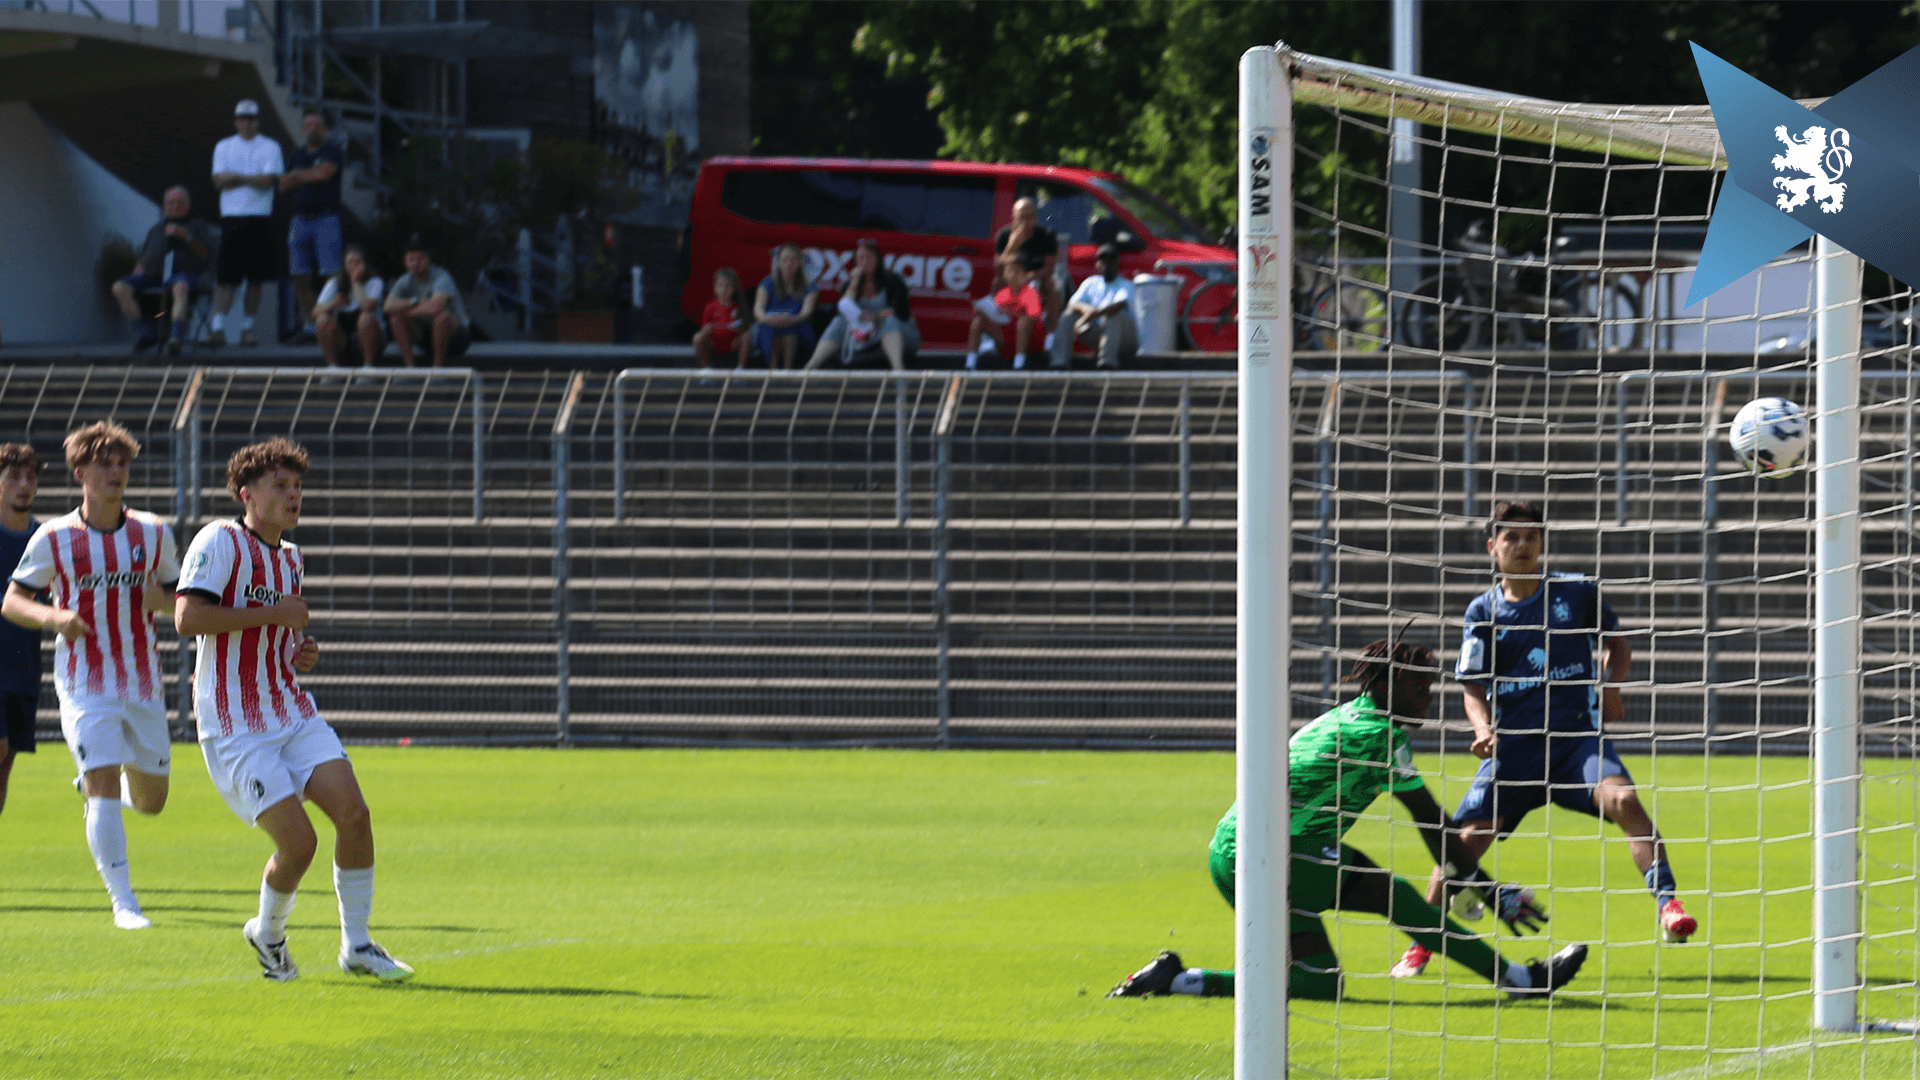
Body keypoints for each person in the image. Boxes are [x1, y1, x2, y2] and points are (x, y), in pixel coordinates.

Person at [1108, 637, 1589, 1001]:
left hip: (1238, 853)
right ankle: (1519, 979)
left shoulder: (1353, 718)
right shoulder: (1375, 733)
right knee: (1392, 894)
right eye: (1416, 684)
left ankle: (1176, 980)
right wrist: (1490, 891)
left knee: (1318, 983)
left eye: (1430, 684)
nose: (1426, 696)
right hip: (1268, 853)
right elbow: (1431, 824)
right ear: (1384, 684)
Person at [1390, 501, 1696, 980]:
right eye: (1511, 537)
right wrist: (1482, 728)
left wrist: (1611, 687)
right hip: (1516, 750)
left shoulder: (1575, 592)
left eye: (1531, 537)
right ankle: (1421, 948)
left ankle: (1669, 907)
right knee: (1462, 846)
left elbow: (1617, 643)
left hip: (1576, 740)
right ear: (1493, 548)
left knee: (1625, 800)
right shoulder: (1483, 610)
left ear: (1542, 545)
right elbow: (1472, 685)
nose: (1522, 545)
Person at [175, 439, 413, 983]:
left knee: (354, 815)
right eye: (280, 486)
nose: (293, 495)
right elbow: (188, 618)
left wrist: (298, 651)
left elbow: (275, 633)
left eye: (297, 487)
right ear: (246, 494)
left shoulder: (290, 557)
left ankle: (357, 944)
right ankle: (269, 934)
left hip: (291, 709)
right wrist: (272, 614)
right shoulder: (220, 539)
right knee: (298, 843)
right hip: (236, 725)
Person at [2, 423, 179, 931]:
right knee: (103, 782)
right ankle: (124, 903)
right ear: (81, 474)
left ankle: (96, 779)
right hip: (84, 681)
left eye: (121, 463)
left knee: (152, 801)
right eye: (104, 464)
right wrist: (54, 617)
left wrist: (161, 603)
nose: (115, 472)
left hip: (142, 681)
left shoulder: (151, 532)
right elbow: (13, 600)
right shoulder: (54, 537)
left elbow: (181, 602)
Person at [209, 99, 284, 347]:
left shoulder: (270, 147)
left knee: (255, 278)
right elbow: (219, 182)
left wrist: (237, 177)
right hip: (231, 218)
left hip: (259, 217)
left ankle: (247, 329)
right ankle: (217, 328)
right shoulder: (223, 146)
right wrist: (251, 178)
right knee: (226, 278)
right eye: (242, 118)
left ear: (257, 121)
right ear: (236, 121)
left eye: (250, 119)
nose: (246, 123)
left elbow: (268, 182)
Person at [110, 186, 216, 354]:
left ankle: (176, 336)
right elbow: (145, 257)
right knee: (119, 287)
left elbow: (208, 254)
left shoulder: (198, 225)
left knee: (180, 286)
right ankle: (146, 332)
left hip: (185, 275)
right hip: (156, 275)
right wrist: (138, 272)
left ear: (187, 204)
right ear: (165, 206)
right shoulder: (156, 230)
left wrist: (187, 236)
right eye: (170, 202)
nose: (174, 206)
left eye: (179, 202)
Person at [0, 444, 42, 817]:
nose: (23, 484)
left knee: (4, 766)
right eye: (14, 476)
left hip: (23, 668)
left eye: (30, 477)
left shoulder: (45, 539)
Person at [803, 239, 919, 372]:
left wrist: (873, 316)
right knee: (838, 321)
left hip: (899, 336)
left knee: (890, 322)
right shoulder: (851, 284)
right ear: (855, 261)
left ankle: (899, 372)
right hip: (867, 337)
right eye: (861, 258)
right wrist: (854, 282)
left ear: (878, 260)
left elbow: (900, 312)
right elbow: (842, 309)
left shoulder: (893, 281)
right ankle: (810, 367)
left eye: (870, 257)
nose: (865, 261)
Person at [280, 110, 345, 344]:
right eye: (308, 125)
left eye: (317, 125)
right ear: (302, 130)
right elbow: (284, 184)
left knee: (330, 274)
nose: (312, 129)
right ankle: (309, 326)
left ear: (324, 129)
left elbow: (324, 174)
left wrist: (298, 174)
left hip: (326, 218)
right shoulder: (297, 155)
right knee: (300, 275)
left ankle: (332, 322)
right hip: (300, 219)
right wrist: (304, 175)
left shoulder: (332, 150)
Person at [383, 235, 471, 367]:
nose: (416, 264)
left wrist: (405, 309)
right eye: (411, 259)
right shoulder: (405, 280)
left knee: (442, 316)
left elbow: (435, 307)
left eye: (420, 259)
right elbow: (387, 306)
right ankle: (409, 367)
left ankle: (437, 369)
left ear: (428, 259)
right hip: (426, 335)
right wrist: (414, 301)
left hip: (457, 337)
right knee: (395, 317)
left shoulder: (442, 277)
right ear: (405, 262)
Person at [993, 198, 1061, 362]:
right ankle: (992, 330)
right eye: (1021, 217)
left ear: (1035, 217)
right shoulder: (1005, 235)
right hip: (1012, 279)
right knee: (996, 282)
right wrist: (1013, 244)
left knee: (1051, 286)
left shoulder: (1046, 235)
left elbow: (1050, 267)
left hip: (1036, 278)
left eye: (1029, 216)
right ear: (1014, 218)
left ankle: (1052, 335)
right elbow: (998, 266)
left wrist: (1031, 276)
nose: (1025, 221)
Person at [1066, 244, 1139, 370]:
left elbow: (1119, 304)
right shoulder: (1090, 282)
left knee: (1112, 316)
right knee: (1067, 316)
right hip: (1098, 333)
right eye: (1102, 260)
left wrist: (1091, 315)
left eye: (1110, 260)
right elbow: (1072, 303)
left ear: (1117, 263)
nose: (1106, 264)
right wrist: (1085, 309)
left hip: (1126, 338)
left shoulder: (1126, 284)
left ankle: (1107, 364)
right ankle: (1059, 362)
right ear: (1097, 263)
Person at [315, 245, 385, 369]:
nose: (354, 266)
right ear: (344, 265)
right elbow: (315, 312)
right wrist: (333, 303)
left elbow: (367, 307)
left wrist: (355, 282)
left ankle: (368, 366)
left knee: (365, 317)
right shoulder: (334, 283)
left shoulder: (375, 282)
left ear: (365, 264)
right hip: (343, 342)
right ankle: (332, 367)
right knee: (322, 320)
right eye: (350, 263)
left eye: (358, 262)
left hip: (373, 341)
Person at [963, 264, 1042, 370]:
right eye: (1010, 272)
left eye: (1016, 271)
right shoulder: (1002, 294)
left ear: (1024, 275)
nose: (1013, 275)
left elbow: (1034, 316)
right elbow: (995, 315)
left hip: (1029, 342)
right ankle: (970, 364)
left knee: (1022, 323)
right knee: (978, 321)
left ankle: (1019, 365)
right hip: (1005, 339)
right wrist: (983, 312)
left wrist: (1010, 312)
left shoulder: (1030, 292)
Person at [751, 243, 817, 371]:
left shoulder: (809, 286)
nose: (788, 264)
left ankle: (788, 369)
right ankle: (773, 369)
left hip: (797, 324)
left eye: (793, 260)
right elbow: (758, 309)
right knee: (768, 328)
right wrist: (768, 319)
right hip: (770, 323)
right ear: (779, 262)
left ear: (799, 263)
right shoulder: (766, 283)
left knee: (789, 328)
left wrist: (791, 319)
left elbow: (806, 312)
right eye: (785, 260)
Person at [694, 267, 752, 369]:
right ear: (715, 288)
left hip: (732, 342)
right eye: (720, 286)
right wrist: (707, 330)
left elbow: (744, 327)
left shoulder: (738, 307)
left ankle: (740, 369)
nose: (724, 290)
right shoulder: (710, 307)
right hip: (715, 343)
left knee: (746, 337)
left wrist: (739, 328)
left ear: (733, 289)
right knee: (697, 338)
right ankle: (706, 369)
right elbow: (704, 330)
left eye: (728, 286)